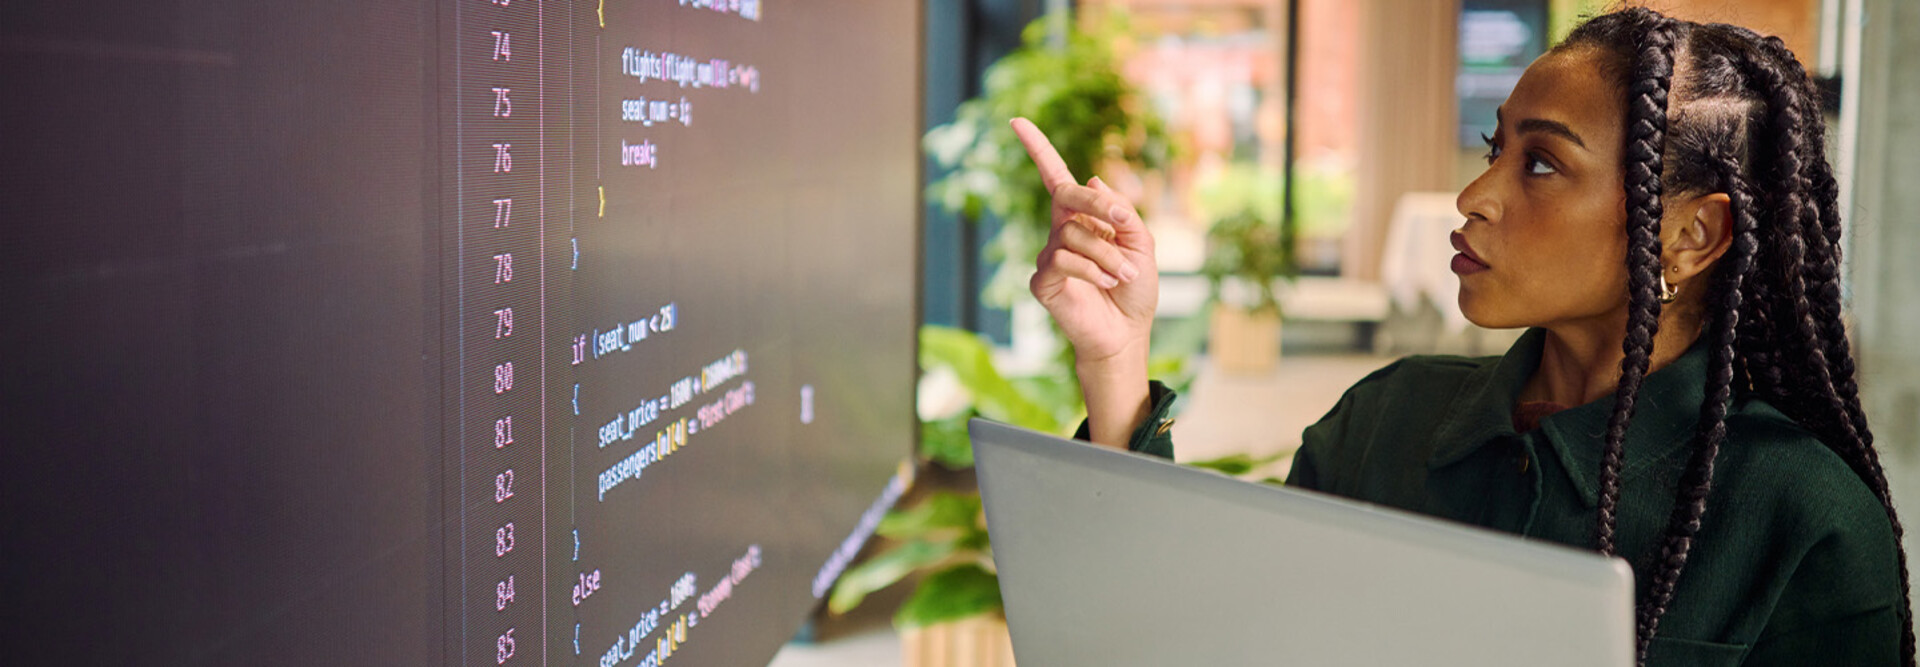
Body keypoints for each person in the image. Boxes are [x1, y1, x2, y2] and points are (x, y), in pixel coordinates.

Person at [1011, 7, 1911, 666]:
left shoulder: (1809, 518)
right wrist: (1114, 353)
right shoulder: (1385, 420)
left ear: (1692, 234)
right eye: (1495, 149)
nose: (1475, 196)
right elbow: (1197, 635)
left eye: (1544, 163)